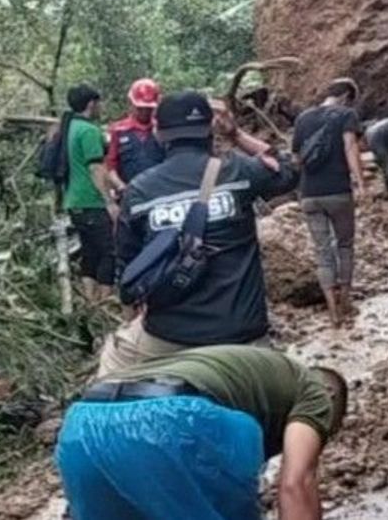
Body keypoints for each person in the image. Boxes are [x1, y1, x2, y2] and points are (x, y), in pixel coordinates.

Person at [99, 91, 298, 376]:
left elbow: (128, 271)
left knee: (111, 365)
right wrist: (237, 135)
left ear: (159, 134)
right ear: (210, 129)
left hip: (169, 337)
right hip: (243, 335)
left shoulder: (139, 191)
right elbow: (290, 169)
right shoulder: (239, 171)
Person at [56, 345, 347, 520]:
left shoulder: (247, 368)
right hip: (172, 422)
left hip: (82, 425)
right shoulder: (315, 390)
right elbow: (295, 484)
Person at [292, 78, 366, 327]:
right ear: (346, 96)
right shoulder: (346, 114)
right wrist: (361, 183)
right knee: (345, 245)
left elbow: (296, 157)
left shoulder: (303, 118)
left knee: (323, 252)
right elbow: (350, 147)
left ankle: (332, 312)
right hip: (338, 192)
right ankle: (345, 301)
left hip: (310, 194)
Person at [63, 84, 117, 306]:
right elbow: (96, 168)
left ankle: (89, 300)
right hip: (91, 200)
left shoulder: (69, 128)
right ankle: (103, 302)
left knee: (90, 250)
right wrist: (109, 201)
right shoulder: (89, 131)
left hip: (73, 201)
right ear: (91, 104)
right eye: (99, 103)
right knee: (109, 251)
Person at [105, 78, 165, 197]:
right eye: (140, 108)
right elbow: (110, 167)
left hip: (158, 193)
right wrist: (120, 186)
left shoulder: (163, 130)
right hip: (129, 194)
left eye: (148, 109)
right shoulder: (118, 130)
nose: (144, 112)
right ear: (131, 104)